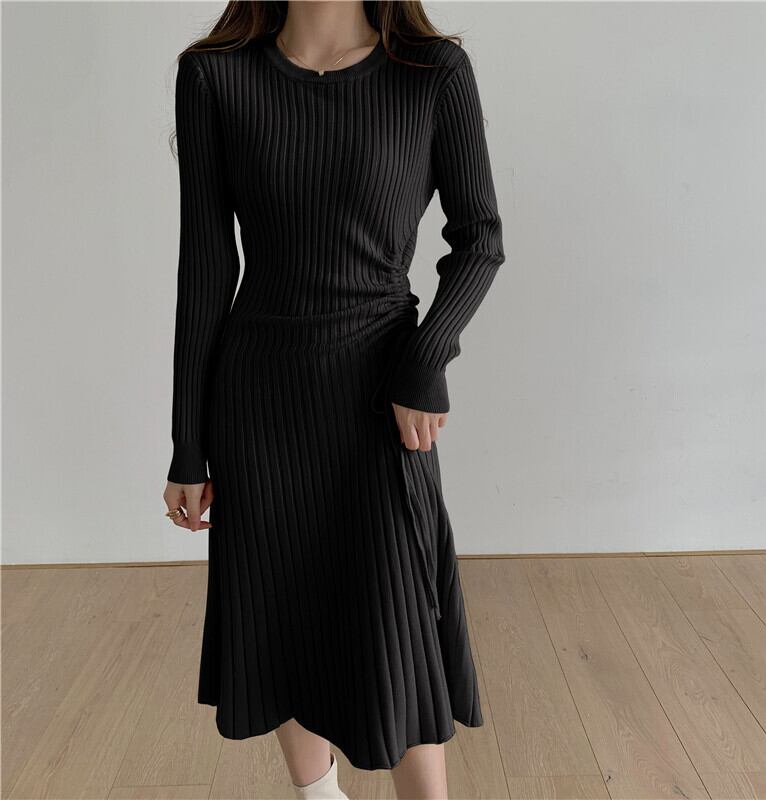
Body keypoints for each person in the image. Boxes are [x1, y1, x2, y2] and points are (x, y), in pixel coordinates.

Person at [162, 1, 505, 798]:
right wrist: (188, 445)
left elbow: (479, 238)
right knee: (282, 614)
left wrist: (424, 360)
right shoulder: (214, 77)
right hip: (259, 401)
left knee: (397, 622)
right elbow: (206, 268)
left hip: (378, 396)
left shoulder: (432, 74)